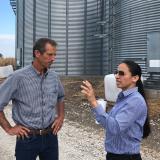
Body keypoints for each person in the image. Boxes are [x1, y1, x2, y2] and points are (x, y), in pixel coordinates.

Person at [0, 38, 65, 160]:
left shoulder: (54, 77)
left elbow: (60, 96)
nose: (53, 59)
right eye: (50, 54)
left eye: (55, 55)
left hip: (50, 136)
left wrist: (60, 117)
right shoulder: (17, 77)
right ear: (37, 53)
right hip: (27, 139)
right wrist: (9, 128)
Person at [81, 60, 150, 160]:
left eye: (122, 73)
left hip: (125, 157)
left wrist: (93, 102)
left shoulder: (135, 101)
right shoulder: (123, 97)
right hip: (116, 156)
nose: (117, 76)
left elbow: (115, 127)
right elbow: (110, 123)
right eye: (116, 72)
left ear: (135, 78)